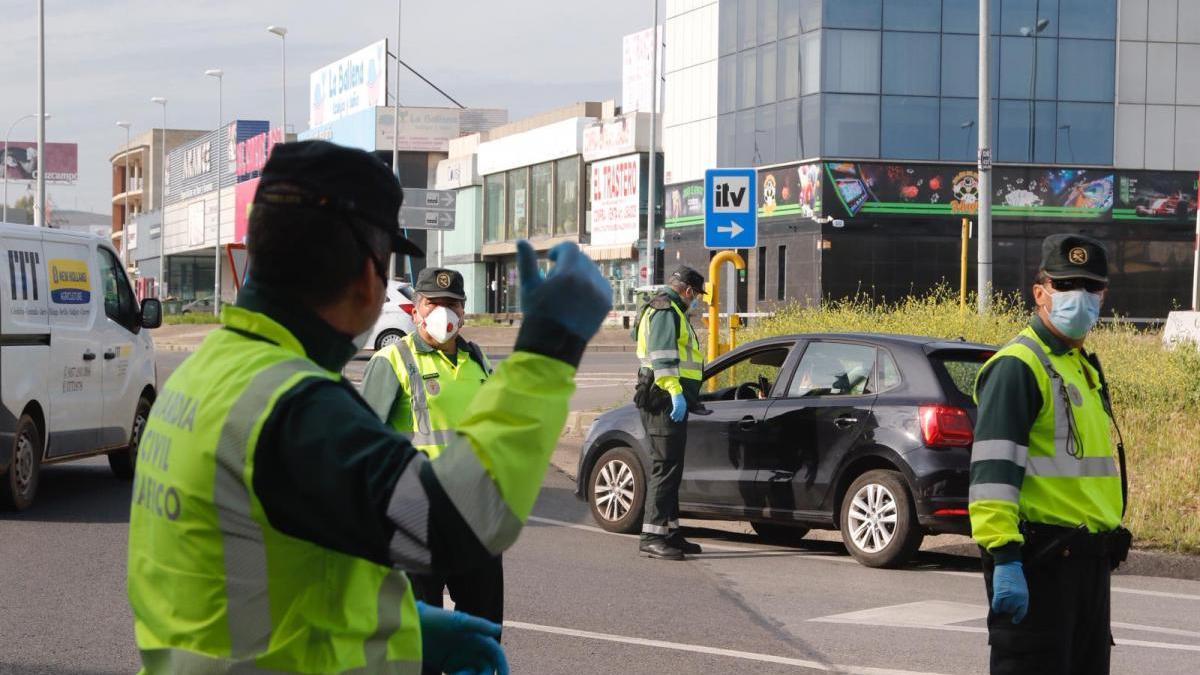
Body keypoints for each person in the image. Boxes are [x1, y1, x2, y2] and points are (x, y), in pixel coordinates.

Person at [125, 140, 612, 674]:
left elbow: (274, 569)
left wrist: (398, 633)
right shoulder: (289, 408)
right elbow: (458, 524)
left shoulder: (204, 375)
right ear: (366, 275)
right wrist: (548, 350)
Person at [970, 233, 1131, 674]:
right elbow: (992, 476)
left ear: (1103, 296)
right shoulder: (1019, 366)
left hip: (1087, 567)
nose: (1079, 297)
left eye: (1090, 287)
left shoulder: (1081, 368)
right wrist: (1004, 557)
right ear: (1040, 293)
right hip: (1040, 566)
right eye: (1066, 286)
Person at [360, 267, 506, 657]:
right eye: (433, 303)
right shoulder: (391, 361)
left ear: (464, 311)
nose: (444, 311)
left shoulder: (477, 362)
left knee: (483, 630)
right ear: (416, 310)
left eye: (452, 304)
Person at [630, 265, 707, 560]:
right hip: (663, 398)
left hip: (667, 398)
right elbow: (662, 357)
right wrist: (675, 392)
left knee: (671, 466)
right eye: (696, 295)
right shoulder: (665, 310)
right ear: (687, 291)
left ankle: (669, 531)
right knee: (665, 467)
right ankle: (651, 536)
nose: (696, 300)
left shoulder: (668, 309)